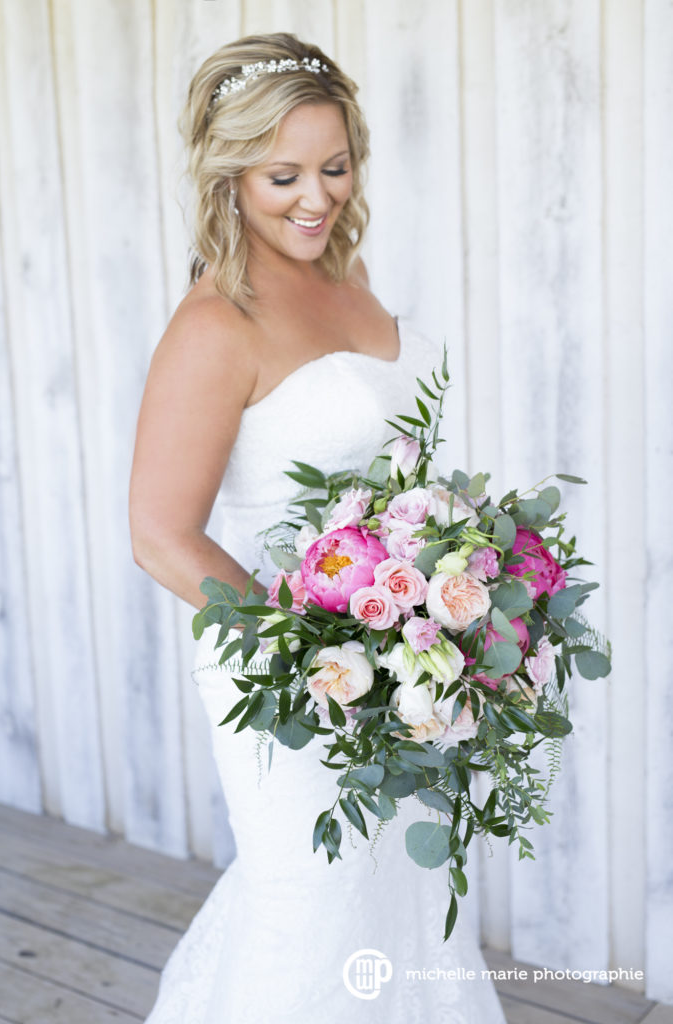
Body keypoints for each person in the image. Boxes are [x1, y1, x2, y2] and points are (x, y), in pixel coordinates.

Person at [129, 32, 506, 1024]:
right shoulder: (216, 324)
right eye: (282, 175)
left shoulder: (353, 273)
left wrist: (440, 596)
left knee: (406, 884)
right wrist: (321, 649)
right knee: (313, 890)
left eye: (334, 168)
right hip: (285, 664)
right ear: (230, 178)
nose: (316, 196)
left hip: (402, 647)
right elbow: (161, 535)